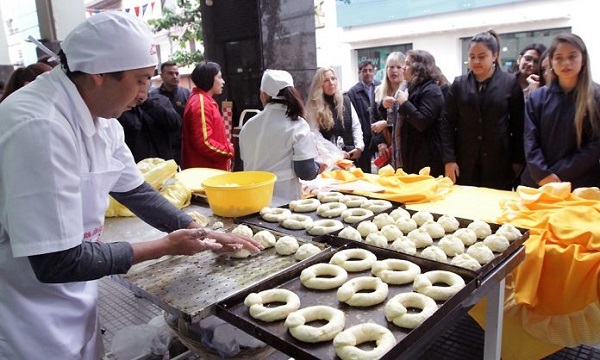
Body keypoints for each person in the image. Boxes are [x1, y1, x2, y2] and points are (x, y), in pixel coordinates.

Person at [0, 12, 261, 359]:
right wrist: (165, 246)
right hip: (24, 311)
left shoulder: (101, 117)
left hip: (73, 299)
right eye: (140, 80)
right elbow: (55, 262)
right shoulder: (39, 126)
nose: (144, 94)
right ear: (98, 75)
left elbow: (134, 191)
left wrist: (195, 228)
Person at [440, 30, 525, 190]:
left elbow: (518, 126)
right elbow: (447, 124)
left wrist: (517, 162)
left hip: (499, 163)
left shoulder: (510, 83)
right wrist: (449, 159)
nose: (476, 61)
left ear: (494, 56)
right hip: (464, 161)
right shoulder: (459, 84)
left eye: (482, 56)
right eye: (472, 56)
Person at [521, 33, 600, 188]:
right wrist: (542, 174)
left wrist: (558, 175)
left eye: (572, 56)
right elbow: (530, 140)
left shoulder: (596, 96)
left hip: (580, 184)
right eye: (558, 57)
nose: (565, 63)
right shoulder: (537, 97)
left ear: (583, 59)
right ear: (551, 62)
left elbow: (595, 145)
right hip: (537, 182)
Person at [239, 69, 325, 204]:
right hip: (283, 205)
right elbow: (306, 171)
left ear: (264, 96)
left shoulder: (248, 125)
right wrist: (318, 167)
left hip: (251, 201)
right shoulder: (297, 124)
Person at [393, 49, 445, 176]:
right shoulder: (411, 87)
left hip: (426, 158)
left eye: (408, 64)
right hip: (412, 154)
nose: (403, 68)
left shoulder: (432, 90)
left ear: (419, 68)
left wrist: (405, 103)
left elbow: (422, 122)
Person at [181, 61, 235, 171]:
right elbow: (204, 143)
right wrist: (227, 151)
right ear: (209, 79)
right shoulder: (201, 103)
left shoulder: (203, 100)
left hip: (210, 170)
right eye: (219, 77)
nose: (223, 82)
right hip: (207, 172)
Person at [305, 66, 364, 161]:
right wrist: (337, 152)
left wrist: (359, 147)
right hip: (328, 159)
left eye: (333, 78)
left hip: (350, 155)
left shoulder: (346, 100)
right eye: (326, 80)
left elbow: (356, 126)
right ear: (320, 84)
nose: (331, 83)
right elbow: (314, 134)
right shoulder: (314, 105)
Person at [118, 87, 182, 163]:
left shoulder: (160, 100)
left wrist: (146, 102)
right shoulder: (121, 106)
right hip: (137, 165)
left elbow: (175, 123)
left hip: (164, 162)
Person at [370, 51, 406, 168]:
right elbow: (373, 118)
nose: (394, 70)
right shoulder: (378, 90)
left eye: (398, 67)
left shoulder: (407, 90)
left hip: (402, 145)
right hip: (384, 147)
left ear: (404, 70)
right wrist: (380, 143)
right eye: (391, 67)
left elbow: (407, 118)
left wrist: (385, 124)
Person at [151, 61, 190, 165]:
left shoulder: (186, 94)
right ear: (161, 75)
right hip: (161, 147)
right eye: (170, 73)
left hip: (183, 146)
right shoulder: (153, 97)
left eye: (176, 73)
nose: (174, 76)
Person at [347, 60, 381, 173]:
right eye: (364, 70)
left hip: (380, 132)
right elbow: (352, 116)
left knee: (384, 165)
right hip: (364, 134)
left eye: (370, 70)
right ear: (359, 73)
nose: (368, 73)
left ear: (374, 72)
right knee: (364, 168)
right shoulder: (353, 92)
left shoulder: (380, 86)